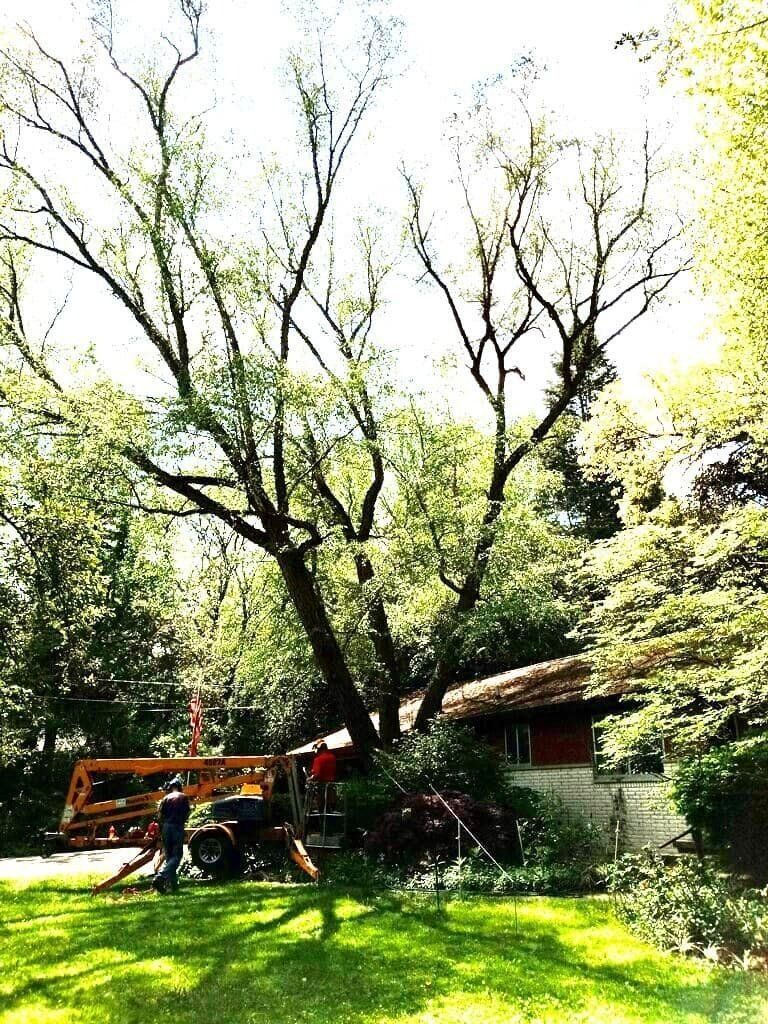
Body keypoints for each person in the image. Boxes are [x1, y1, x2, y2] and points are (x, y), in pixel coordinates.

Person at [152, 776, 190, 894]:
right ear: (179, 787)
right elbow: (186, 814)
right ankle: (160, 877)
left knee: (169, 857)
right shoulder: (183, 797)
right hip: (176, 827)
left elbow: (160, 816)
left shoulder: (165, 798)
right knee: (176, 856)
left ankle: (173, 887)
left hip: (166, 827)